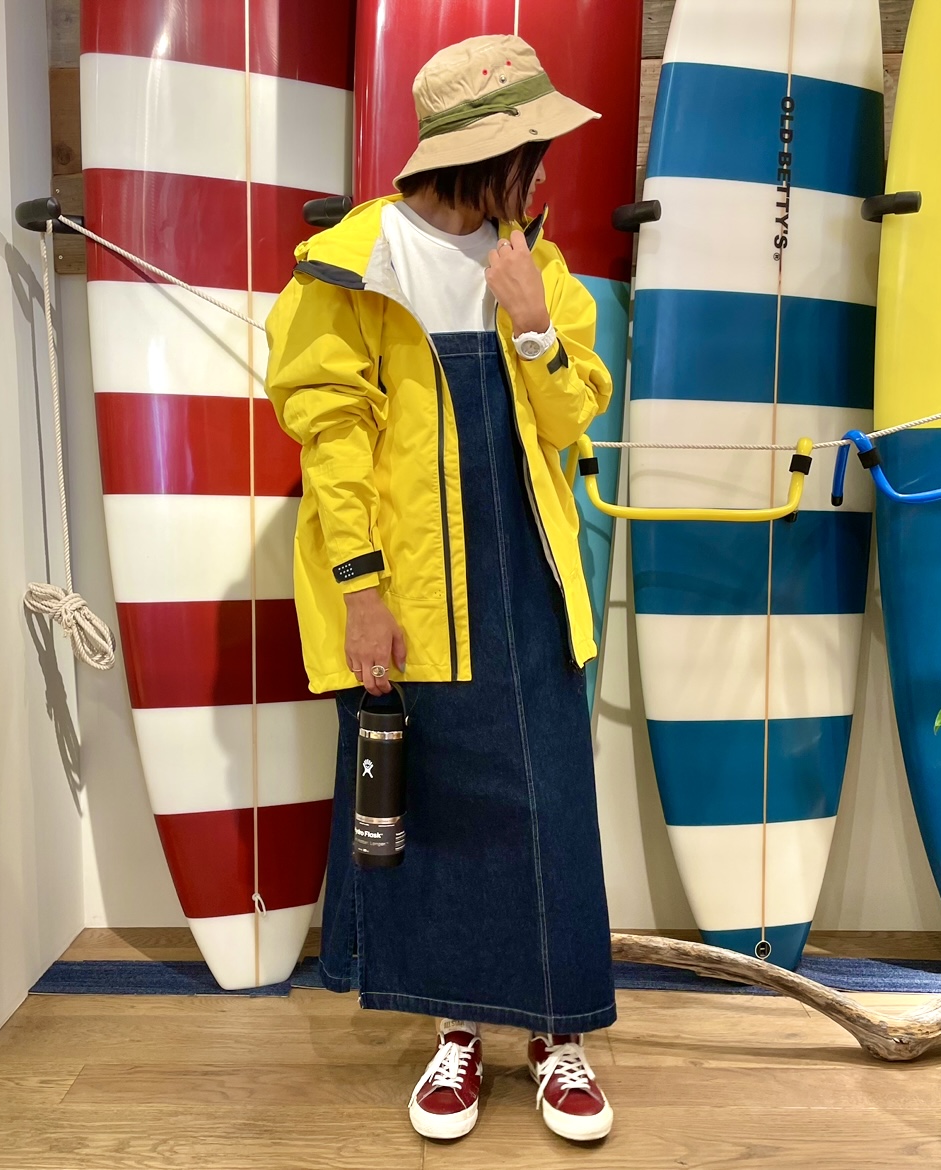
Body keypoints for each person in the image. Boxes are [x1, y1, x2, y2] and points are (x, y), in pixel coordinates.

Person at [265, 34, 616, 1143]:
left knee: (551, 810)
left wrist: (534, 324)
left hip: (529, 577)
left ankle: (558, 1036)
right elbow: (331, 441)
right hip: (410, 588)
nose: (545, 175)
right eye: (534, 153)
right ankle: (456, 1031)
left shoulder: (534, 262)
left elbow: (573, 417)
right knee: (441, 814)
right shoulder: (351, 264)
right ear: (486, 155)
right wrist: (361, 592)